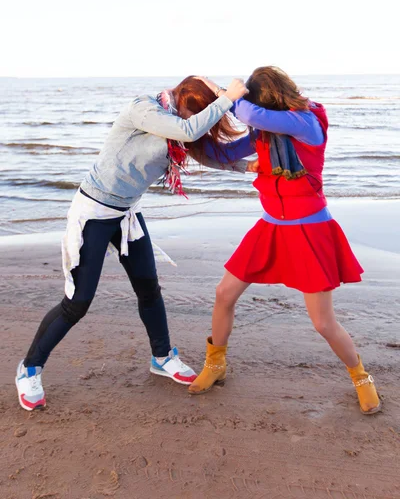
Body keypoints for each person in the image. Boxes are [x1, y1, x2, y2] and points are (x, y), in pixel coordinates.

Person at [16, 76, 252, 411]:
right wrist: (227, 98)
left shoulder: (180, 125)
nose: (189, 122)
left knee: (149, 288)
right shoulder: (144, 108)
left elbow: (199, 150)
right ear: (181, 96)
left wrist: (248, 166)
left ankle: (161, 357)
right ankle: (29, 368)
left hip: (126, 213)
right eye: (189, 114)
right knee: (77, 302)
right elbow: (187, 131)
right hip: (94, 213)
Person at [188, 66, 381, 416]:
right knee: (223, 294)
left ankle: (361, 377)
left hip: (310, 231)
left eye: (256, 103)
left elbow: (247, 112)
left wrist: (223, 93)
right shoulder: (266, 132)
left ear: (270, 100)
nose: (253, 116)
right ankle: (215, 364)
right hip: (270, 228)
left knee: (323, 323)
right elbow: (224, 155)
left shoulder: (306, 123)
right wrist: (184, 137)